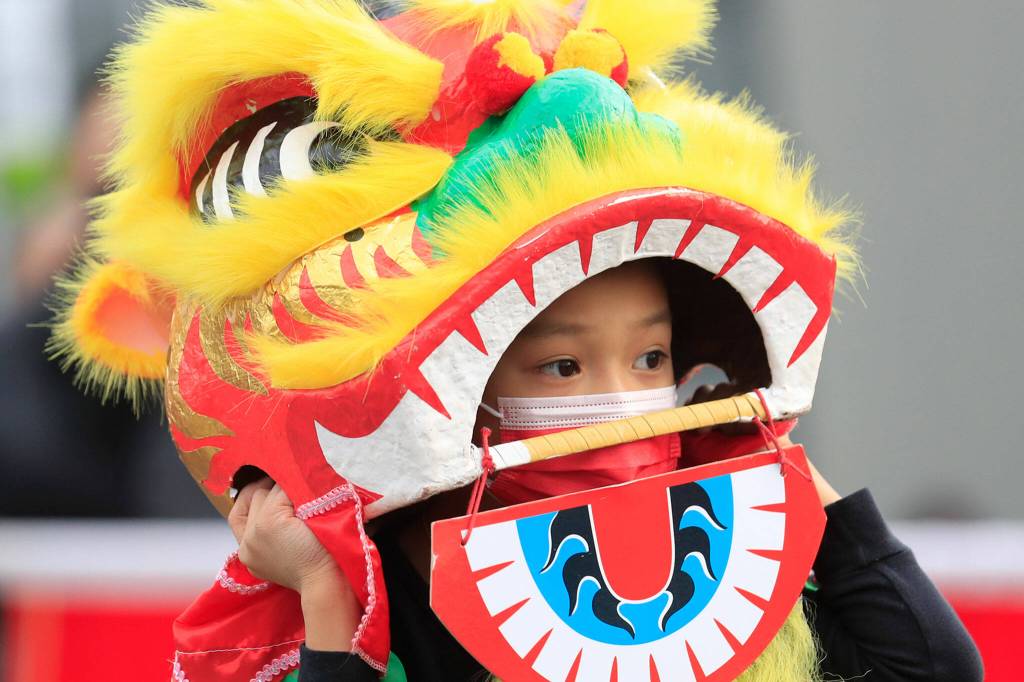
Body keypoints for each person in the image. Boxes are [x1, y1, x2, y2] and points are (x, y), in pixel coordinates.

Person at [229, 260, 983, 681]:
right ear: (472, 389)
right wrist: (328, 591)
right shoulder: (409, 569)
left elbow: (934, 672)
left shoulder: (733, 536)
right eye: (564, 366)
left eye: (651, 359)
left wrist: (770, 453)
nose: (622, 402)